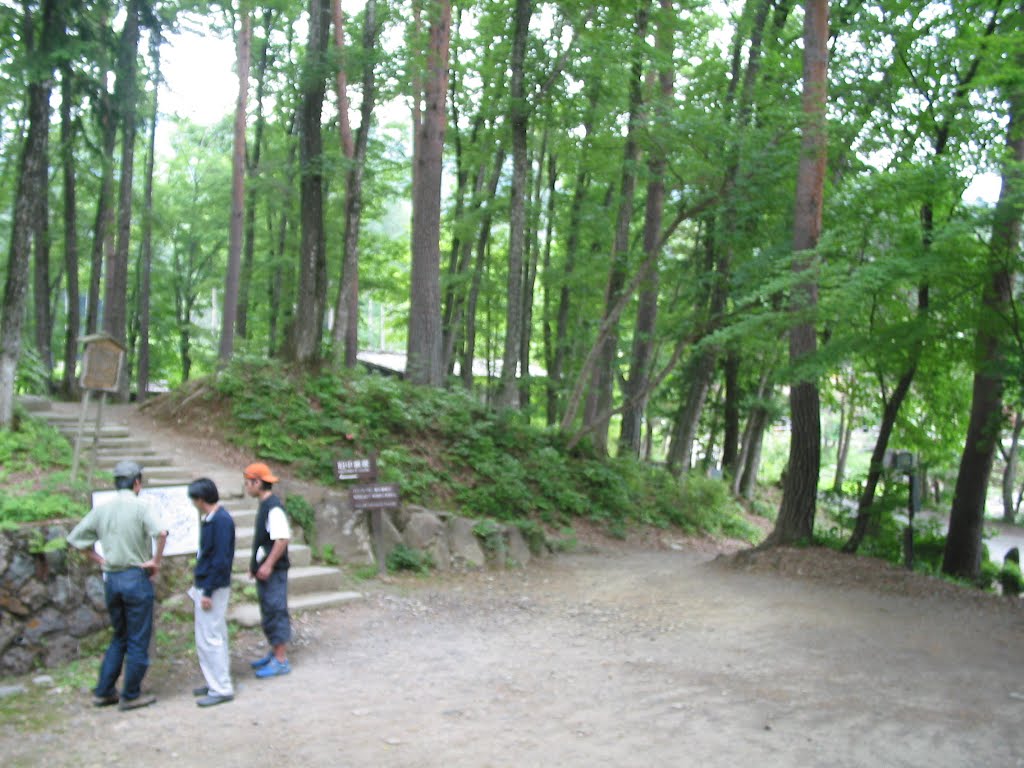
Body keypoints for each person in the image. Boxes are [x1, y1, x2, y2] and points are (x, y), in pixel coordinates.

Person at [67, 460, 167, 711]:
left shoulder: (103, 509)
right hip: (136, 577)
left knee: (119, 636)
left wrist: (100, 559)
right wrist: (155, 561)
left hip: (112, 579)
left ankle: (104, 691)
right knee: (138, 638)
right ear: (136, 482)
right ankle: (131, 694)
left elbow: (77, 540)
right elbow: (161, 533)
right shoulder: (141, 506)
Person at [187, 477, 236, 707]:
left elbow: (220, 560)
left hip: (212, 586)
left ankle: (221, 687)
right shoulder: (212, 519)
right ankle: (216, 680)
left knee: (210, 638)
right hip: (208, 583)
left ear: (200, 499)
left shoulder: (221, 521)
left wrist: (207, 590)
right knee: (213, 634)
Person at [244, 462, 292, 678]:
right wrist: (254, 566)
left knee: (276, 609)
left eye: (248, 482)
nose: (246, 486)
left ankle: (281, 659)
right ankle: (274, 653)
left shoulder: (273, 507)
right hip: (265, 570)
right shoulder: (265, 505)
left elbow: (282, 539)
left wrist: (268, 564)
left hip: (274, 571)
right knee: (268, 610)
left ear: (258, 482)